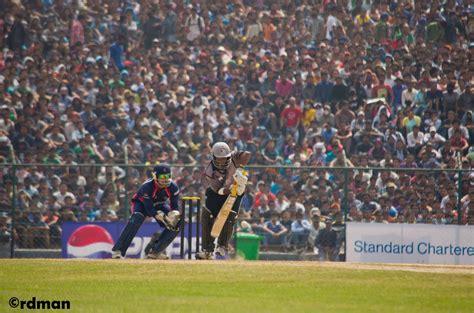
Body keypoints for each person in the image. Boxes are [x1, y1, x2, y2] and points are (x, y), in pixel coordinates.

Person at [111, 164, 181, 259]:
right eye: (162, 177)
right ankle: (118, 250)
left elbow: (175, 206)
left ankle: (155, 252)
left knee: (178, 223)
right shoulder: (147, 187)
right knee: (137, 218)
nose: (165, 179)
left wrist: (174, 215)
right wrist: (157, 215)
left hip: (160, 204)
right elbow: (149, 208)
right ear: (155, 176)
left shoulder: (173, 187)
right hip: (141, 204)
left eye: (168, 176)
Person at [196, 142, 250, 260]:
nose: (221, 162)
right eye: (219, 159)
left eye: (224, 159)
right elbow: (218, 190)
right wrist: (230, 189)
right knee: (208, 215)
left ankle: (222, 246)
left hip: (235, 192)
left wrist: (240, 169)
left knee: (230, 216)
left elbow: (247, 154)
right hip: (217, 193)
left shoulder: (234, 156)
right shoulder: (209, 170)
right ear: (213, 157)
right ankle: (207, 250)